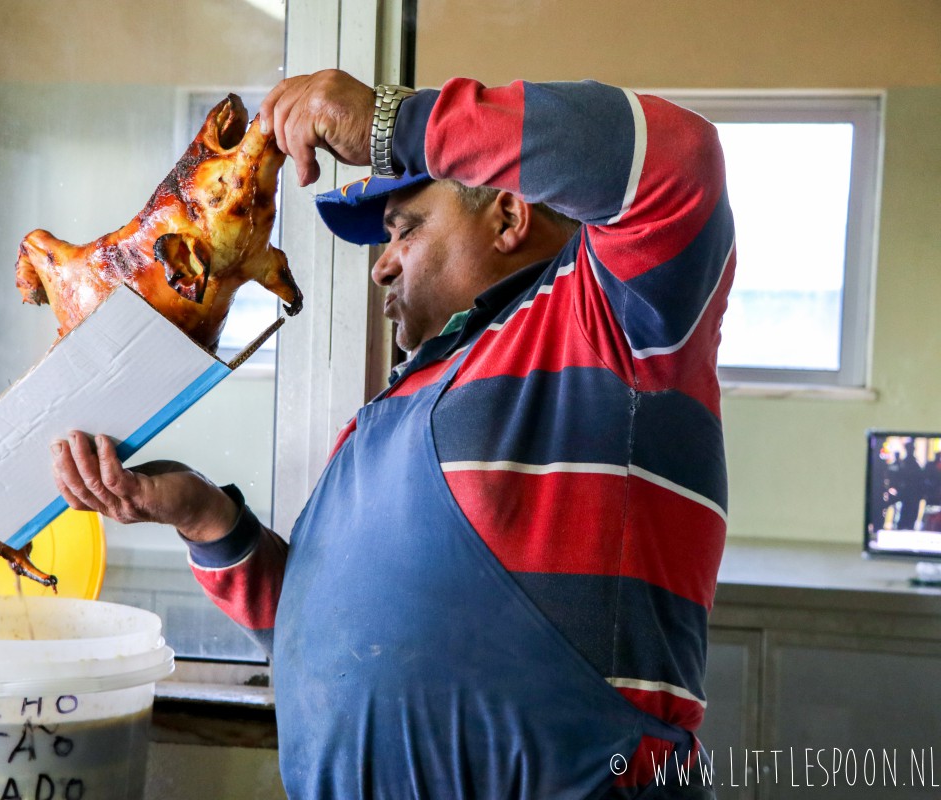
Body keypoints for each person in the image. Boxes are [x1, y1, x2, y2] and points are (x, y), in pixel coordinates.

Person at [52, 69, 735, 799]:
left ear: (507, 217)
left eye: (404, 229)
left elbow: (679, 161)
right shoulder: (385, 421)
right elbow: (334, 645)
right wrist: (205, 518)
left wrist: (390, 122)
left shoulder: (607, 324)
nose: (380, 266)